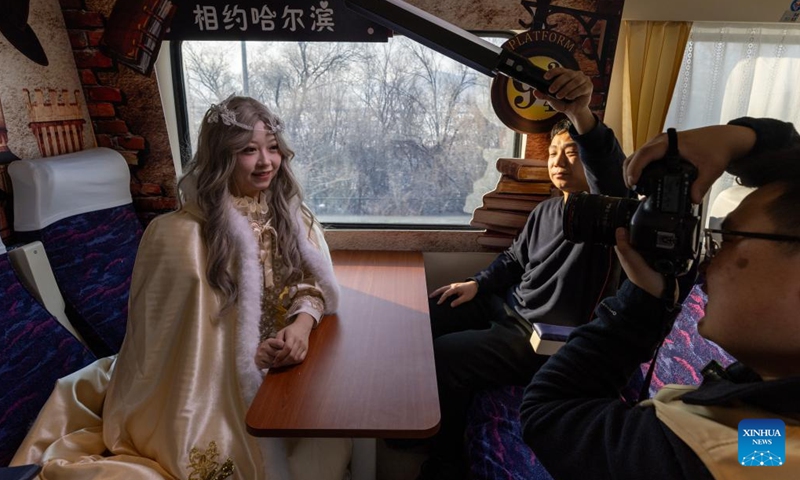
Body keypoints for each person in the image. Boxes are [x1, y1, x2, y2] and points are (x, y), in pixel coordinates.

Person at [11, 96, 352, 479]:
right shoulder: (176, 236)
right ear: (222, 156)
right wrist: (247, 358)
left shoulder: (293, 217)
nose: (265, 162)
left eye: (272, 148)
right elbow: (172, 345)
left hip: (286, 367)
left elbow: (311, 284)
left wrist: (301, 326)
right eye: (248, 151)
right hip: (211, 388)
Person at [520, 117, 800, 479]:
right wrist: (743, 138)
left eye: (726, 241)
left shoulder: (716, 454)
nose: (704, 266)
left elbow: (551, 411)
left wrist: (643, 302)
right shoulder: (769, 435)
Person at [417, 67, 628, 479]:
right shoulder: (547, 210)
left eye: (571, 155)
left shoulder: (608, 217)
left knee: (448, 356)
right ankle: (417, 417)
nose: (559, 164)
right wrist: (475, 284)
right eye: (553, 155)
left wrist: (583, 118)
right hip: (509, 309)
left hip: (543, 339)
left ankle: (446, 455)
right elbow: (513, 260)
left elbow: (609, 172)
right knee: (433, 311)